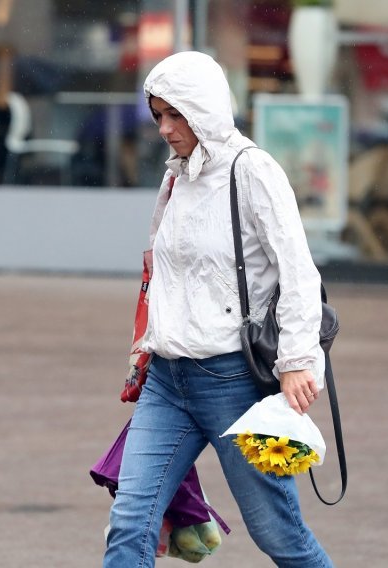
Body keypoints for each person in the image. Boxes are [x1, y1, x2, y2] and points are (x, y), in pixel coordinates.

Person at [103, 51, 332, 567]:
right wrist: (147, 348)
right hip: (167, 382)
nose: (164, 128)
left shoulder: (252, 172)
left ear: (204, 108)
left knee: (279, 535)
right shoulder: (176, 178)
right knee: (130, 522)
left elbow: (298, 271)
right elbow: (164, 274)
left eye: (175, 114)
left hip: (232, 383)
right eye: (158, 115)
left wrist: (297, 359)